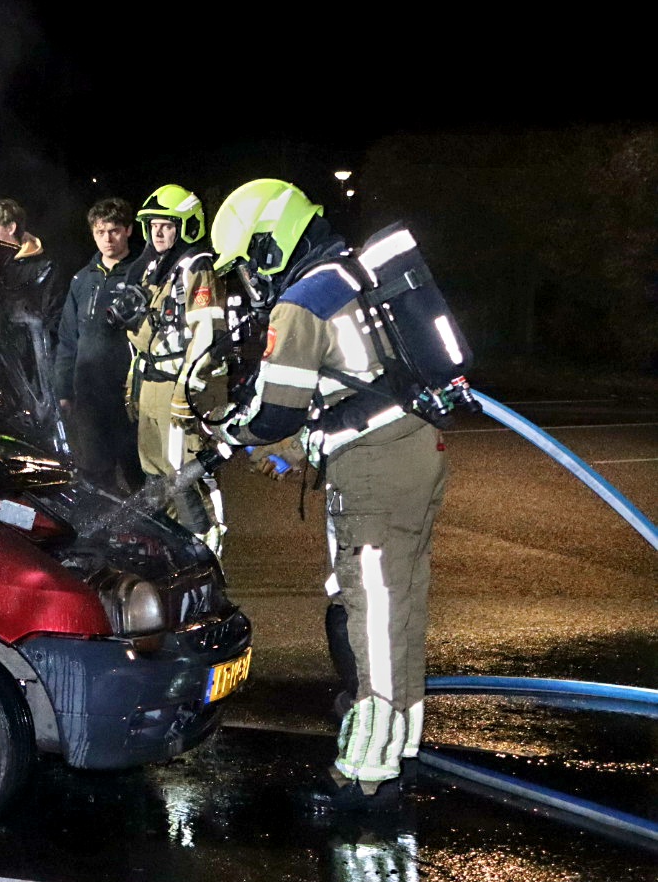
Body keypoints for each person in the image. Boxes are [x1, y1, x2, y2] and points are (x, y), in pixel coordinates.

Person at [207, 178, 448, 813]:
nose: (249, 284)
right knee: (402, 607)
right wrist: (295, 451)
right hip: (413, 450)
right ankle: (402, 747)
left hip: (374, 473)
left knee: (370, 615)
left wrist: (229, 431)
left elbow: (275, 409)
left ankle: (369, 774)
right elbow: (352, 392)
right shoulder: (348, 277)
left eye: (246, 266)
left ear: (267, 246)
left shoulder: (303, 302)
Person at [124, 184, 228, 552]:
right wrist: (133, 381)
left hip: (175, 383)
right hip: (150, 381)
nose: (157, 232)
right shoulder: (152, 266)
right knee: (154, 471)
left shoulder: (195, 267)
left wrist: (187, 388)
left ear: (186, 227)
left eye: (167, 225)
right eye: (152, 225)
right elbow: (142, 335)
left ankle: (205, 547)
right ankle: (170, 550)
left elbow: (205, 332)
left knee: (182, 473)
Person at [53, 197, 144, 492]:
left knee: (140, 474)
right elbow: (68, 339)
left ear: (129, 230)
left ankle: (153, 535)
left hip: (131, 397)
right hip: (89, 396)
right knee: (95, 475)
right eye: (100, 232)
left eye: (115, 230)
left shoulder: (144, 273)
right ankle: (105, 537)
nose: (107, 239)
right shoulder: (81, 280)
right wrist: (64, 390)